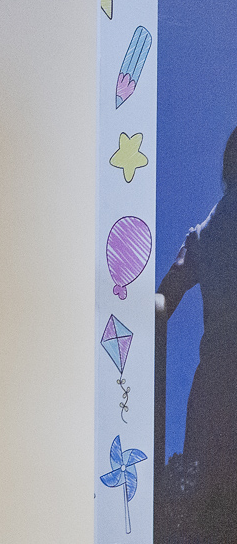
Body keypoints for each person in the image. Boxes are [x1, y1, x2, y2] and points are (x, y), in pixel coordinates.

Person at [158, 125, 237, 536]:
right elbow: (163, 299)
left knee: (211, 514)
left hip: (214, 391)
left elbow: (163, 299)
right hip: (217, 394)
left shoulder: (205, 233)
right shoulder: (207, 233)